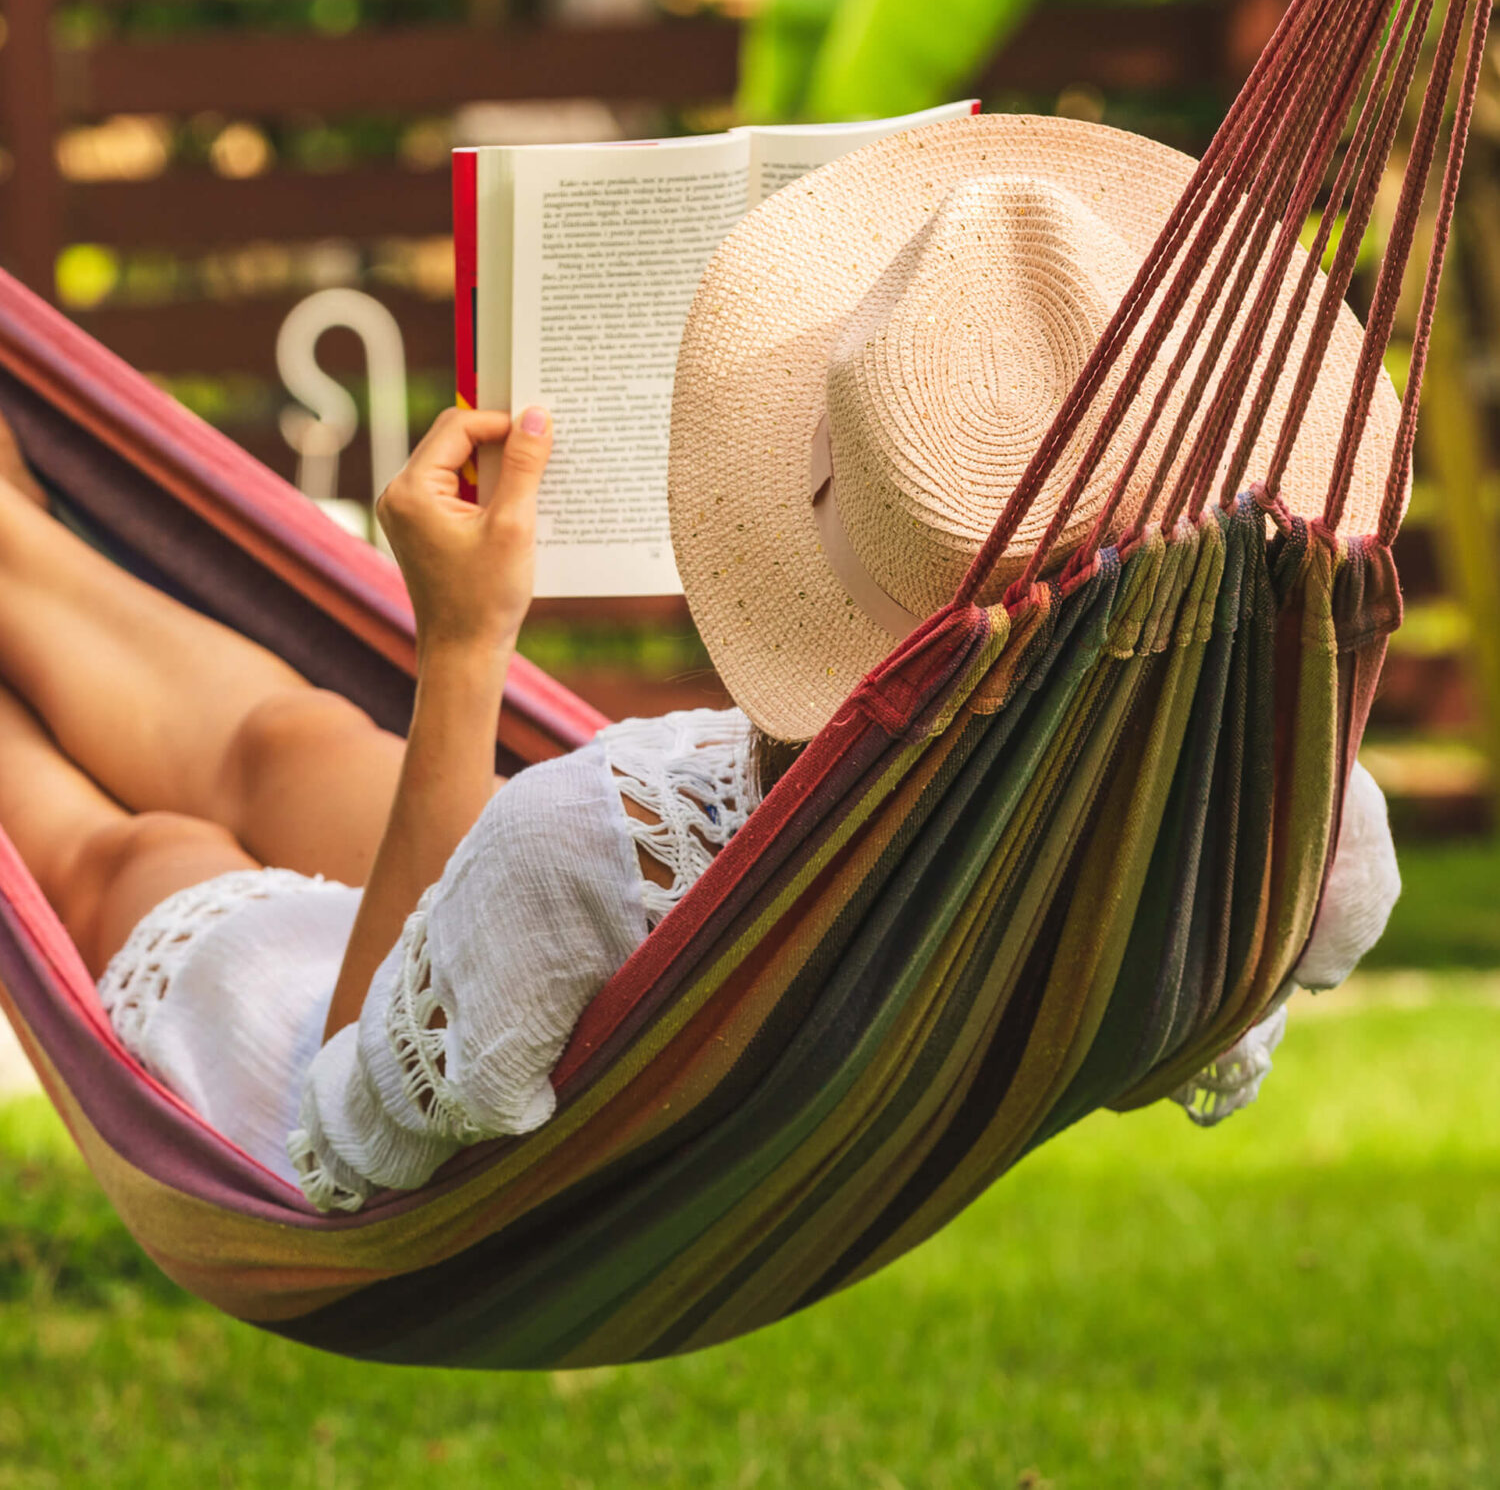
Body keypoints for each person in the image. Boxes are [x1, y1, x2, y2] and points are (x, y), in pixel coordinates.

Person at [0, 117, 1400, 1214]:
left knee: (130, 854)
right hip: (563, 979)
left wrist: (466, 646)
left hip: (342, 1079)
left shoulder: (595, 849)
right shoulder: (1289, 820)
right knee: (285, 743)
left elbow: (345, 1141)